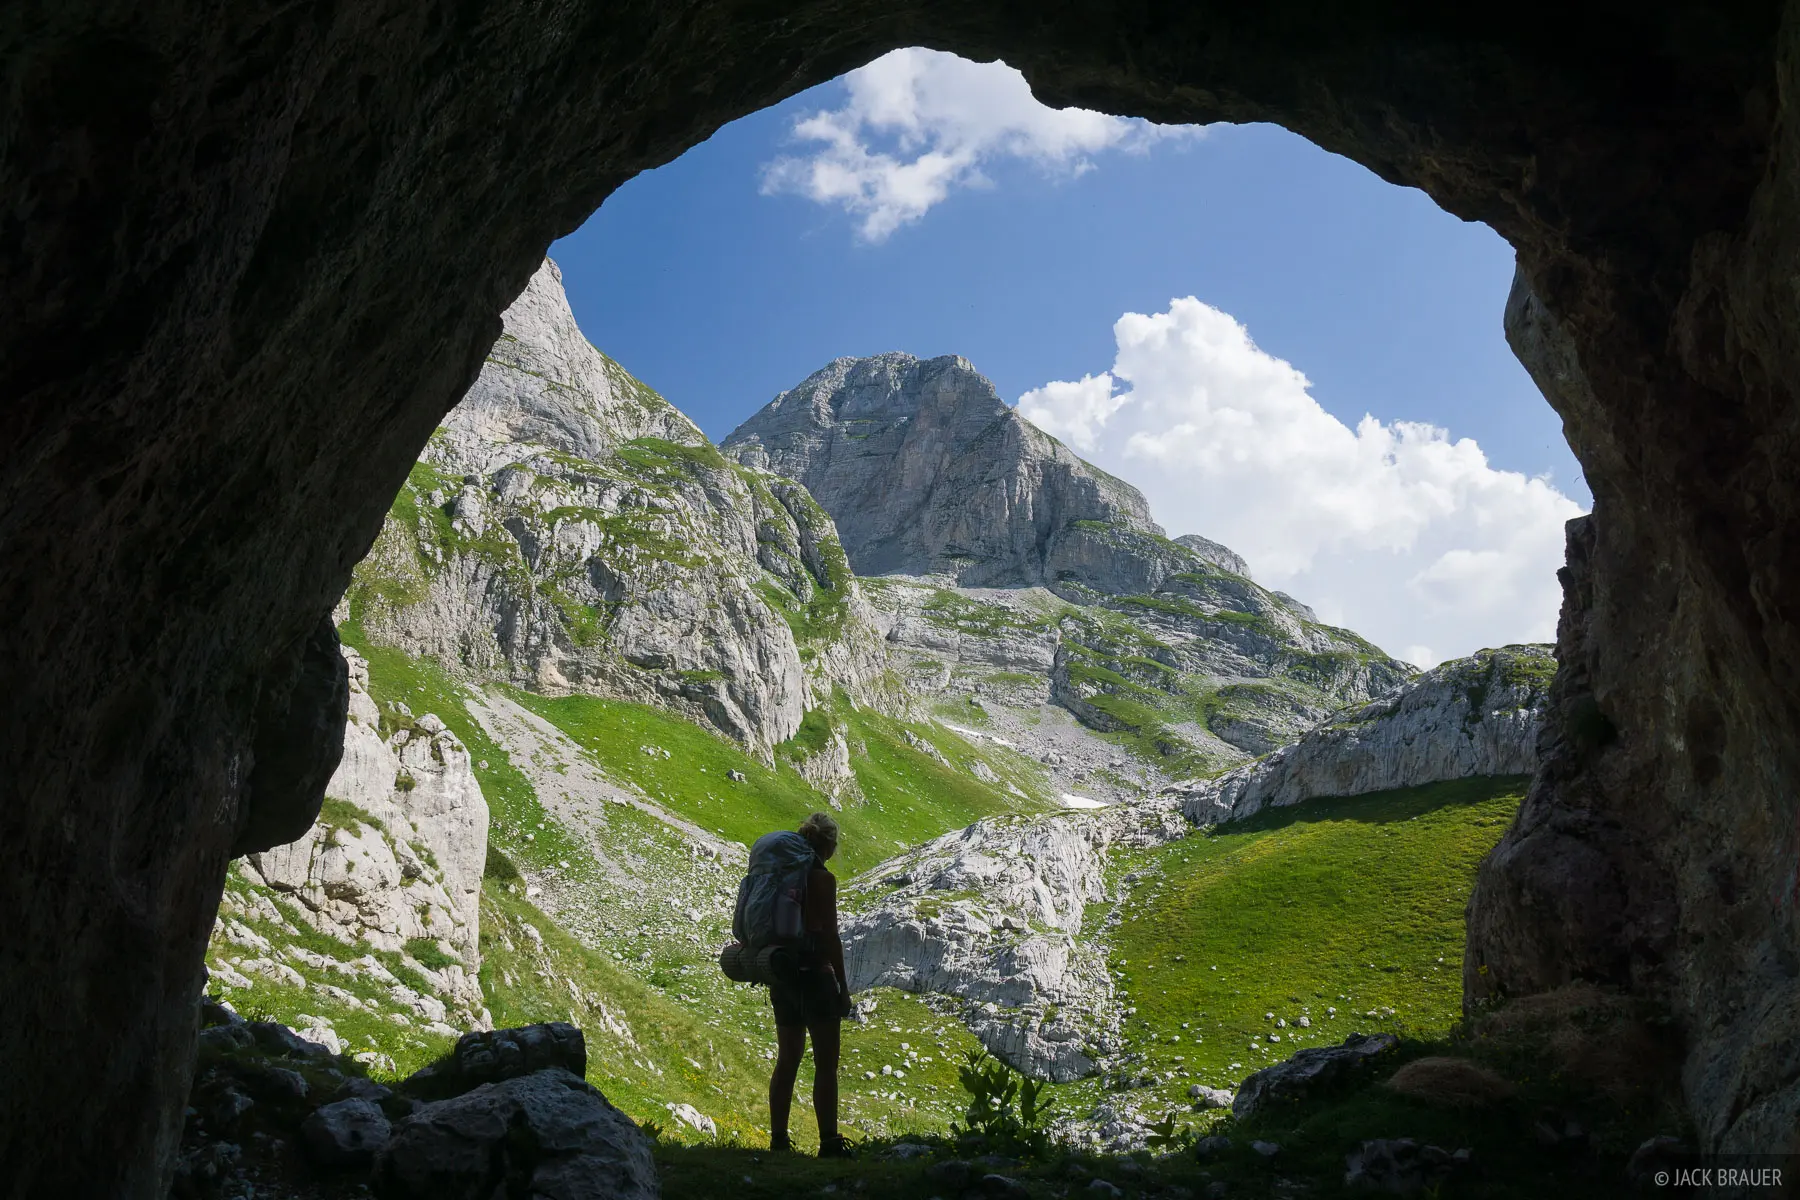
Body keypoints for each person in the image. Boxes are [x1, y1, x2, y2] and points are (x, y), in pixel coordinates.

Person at [768, 811, 853, 1156]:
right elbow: (829, 936)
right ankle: (829, 1142)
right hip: (816, 976)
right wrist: (843, 987)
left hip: (783, 973)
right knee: (825, 1064)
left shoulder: (782, 876)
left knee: (787, 1058)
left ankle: (778, 1140)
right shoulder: (822, 879)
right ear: (828, 845)